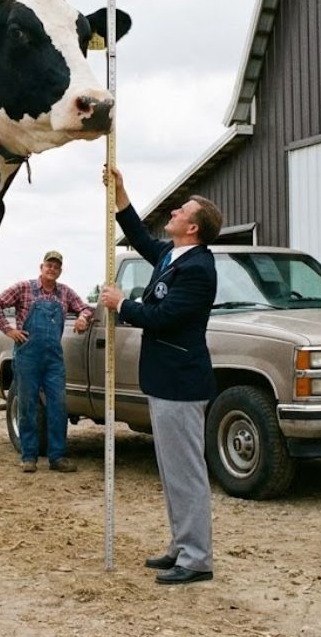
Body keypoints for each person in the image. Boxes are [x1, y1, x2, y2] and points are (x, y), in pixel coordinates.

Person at [99, 167, 222, 586]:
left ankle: (197, 558)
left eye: (180, 210)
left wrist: (122, 304)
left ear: (192, 227)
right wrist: (121, 194)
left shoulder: (199, 269)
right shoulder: (173, 256)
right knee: (171, 470)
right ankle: (181, 545)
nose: (172, 210)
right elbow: (141, 238)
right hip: (163, 379)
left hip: (181, 383)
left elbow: (164, 317)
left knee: (186, 471)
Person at [0, 250, 92, 473]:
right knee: (27, 406)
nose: (52, 269)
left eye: (56, 266)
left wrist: (82, 318)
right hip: (27, 357)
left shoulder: (65, 293)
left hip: (54, 359)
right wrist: (9, 330)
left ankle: (57, 457)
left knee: (58, 406)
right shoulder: (24, 288)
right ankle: (28, 456)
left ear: (60, 270)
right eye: (49, 265)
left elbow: (85, 307)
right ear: (41, 267)